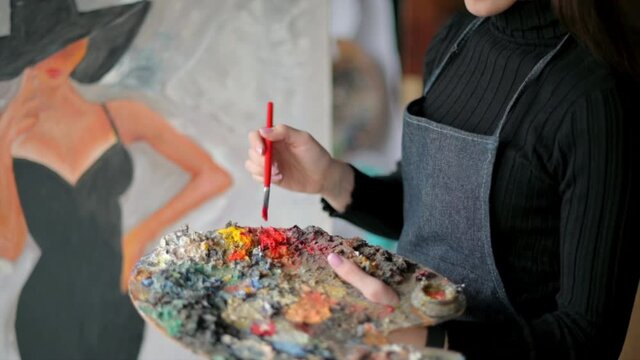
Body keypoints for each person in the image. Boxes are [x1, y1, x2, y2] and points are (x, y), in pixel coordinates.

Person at [246, 0, 639, 358]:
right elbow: (429, 214)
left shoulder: (597, 102)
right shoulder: (456, 39)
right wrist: (331, 179)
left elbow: (587, 340)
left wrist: (428, 341)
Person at [0, 1, 231, 359]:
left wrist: (140, 234)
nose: (58, 57)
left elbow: (213, 176)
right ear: (26, 55)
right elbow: (10, 245)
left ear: (85, 42)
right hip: (48, 304)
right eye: (46, 47)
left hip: (117, 295)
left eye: (70, 41)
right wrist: (3, 145)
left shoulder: (119, 114)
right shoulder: (11, 134)